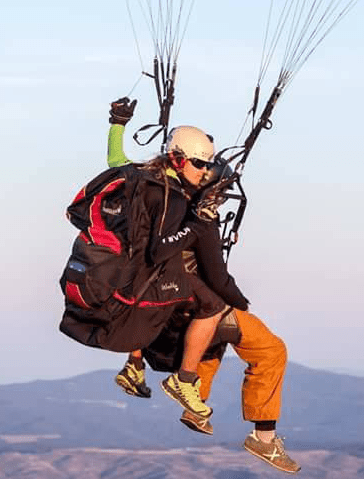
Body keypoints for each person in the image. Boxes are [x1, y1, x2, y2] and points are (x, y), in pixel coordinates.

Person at [106, 98, 300, 473]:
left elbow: (116, 163)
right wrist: (240, 302)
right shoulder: (197, 217)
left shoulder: (146, 185)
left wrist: (117, 124)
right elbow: (218, 277)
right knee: (269, 349)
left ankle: (195, 406)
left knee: (217, 335)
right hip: (183, 306)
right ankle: (263, 439)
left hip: (150, 302)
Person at [105, 97, 230, 419]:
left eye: (207, 166)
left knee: (147, 301)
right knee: (212, 306)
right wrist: (199, 220)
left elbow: (115, 160)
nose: (204, 172)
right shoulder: (170, 194)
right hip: (152, 269)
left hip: (126, 268)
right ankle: (184, 379)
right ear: (178, 160)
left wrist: (118, 124)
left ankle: (134, 364)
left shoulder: (142, 175)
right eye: (199, 165)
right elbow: (162, 249)